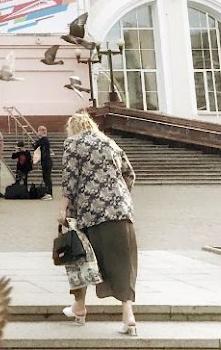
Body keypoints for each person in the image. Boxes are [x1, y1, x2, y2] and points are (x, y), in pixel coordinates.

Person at [58, 111, 138, 336]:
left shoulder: (73, 143)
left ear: (72, 128)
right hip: (120, 210)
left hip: (89, 212)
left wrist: (62, 208)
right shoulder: (108, 142)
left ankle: (80, 307)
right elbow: (129, 174)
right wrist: (119, 197)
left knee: (79, 257)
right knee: (122, 261)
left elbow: (70, 180)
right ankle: (128, 315)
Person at [34, 124, 54, 200]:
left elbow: (35, 145)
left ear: (42, 131)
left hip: (46, 161)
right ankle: (48, 192)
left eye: (39, 130)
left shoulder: (44, 140)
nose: (38, 132)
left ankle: (49, 193)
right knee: (45, 177)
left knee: (47, 177)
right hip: (45, 161)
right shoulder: (44, 140)